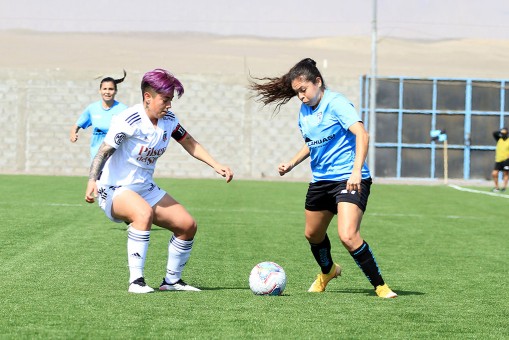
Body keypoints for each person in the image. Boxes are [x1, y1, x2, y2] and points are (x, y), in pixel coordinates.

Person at [249, 58, 397, 298]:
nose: (300, 96)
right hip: (321, 181)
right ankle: (327, 271)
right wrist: (292, 162)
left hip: (349, 179)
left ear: (317, 82)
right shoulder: (304, 112)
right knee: (313, 235)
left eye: (303, 90)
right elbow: (313, 144)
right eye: (297, 92)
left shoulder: (336, 103)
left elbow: (362, 134)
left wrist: (356, 170)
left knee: (348, 235)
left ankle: (380, 286)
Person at [85, 68, 234, 293]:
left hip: (144, 188)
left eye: (171, 100)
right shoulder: (130, 119)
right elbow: (104, 150)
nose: (169, 105)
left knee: (187, 226)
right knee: (142, 213)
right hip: (115, 188)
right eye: (165, 99)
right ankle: (136, 281)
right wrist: (92, 180)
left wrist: (216, 164)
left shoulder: (169, 120)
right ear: (148, 97)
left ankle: (171, 282)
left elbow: (189, 142)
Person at [69, 70, 128, 160]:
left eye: (110, 89)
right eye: (104, 89)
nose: (107, 92)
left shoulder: (124, 110)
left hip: (116, 158)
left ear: (116, 91)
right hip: (97, 157)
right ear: (100, 91)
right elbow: (76, 126)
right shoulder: (92, 108)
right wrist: (73, 133)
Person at [491, 127, 509, 192]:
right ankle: (496, 187)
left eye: (504, 133)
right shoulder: (499, 139)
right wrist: (500, 131)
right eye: (502, 133)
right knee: (494, 173)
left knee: (506, 174)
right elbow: (494, 133)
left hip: (506, 160)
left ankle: (504, 187)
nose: (503, 134)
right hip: (498, 160)